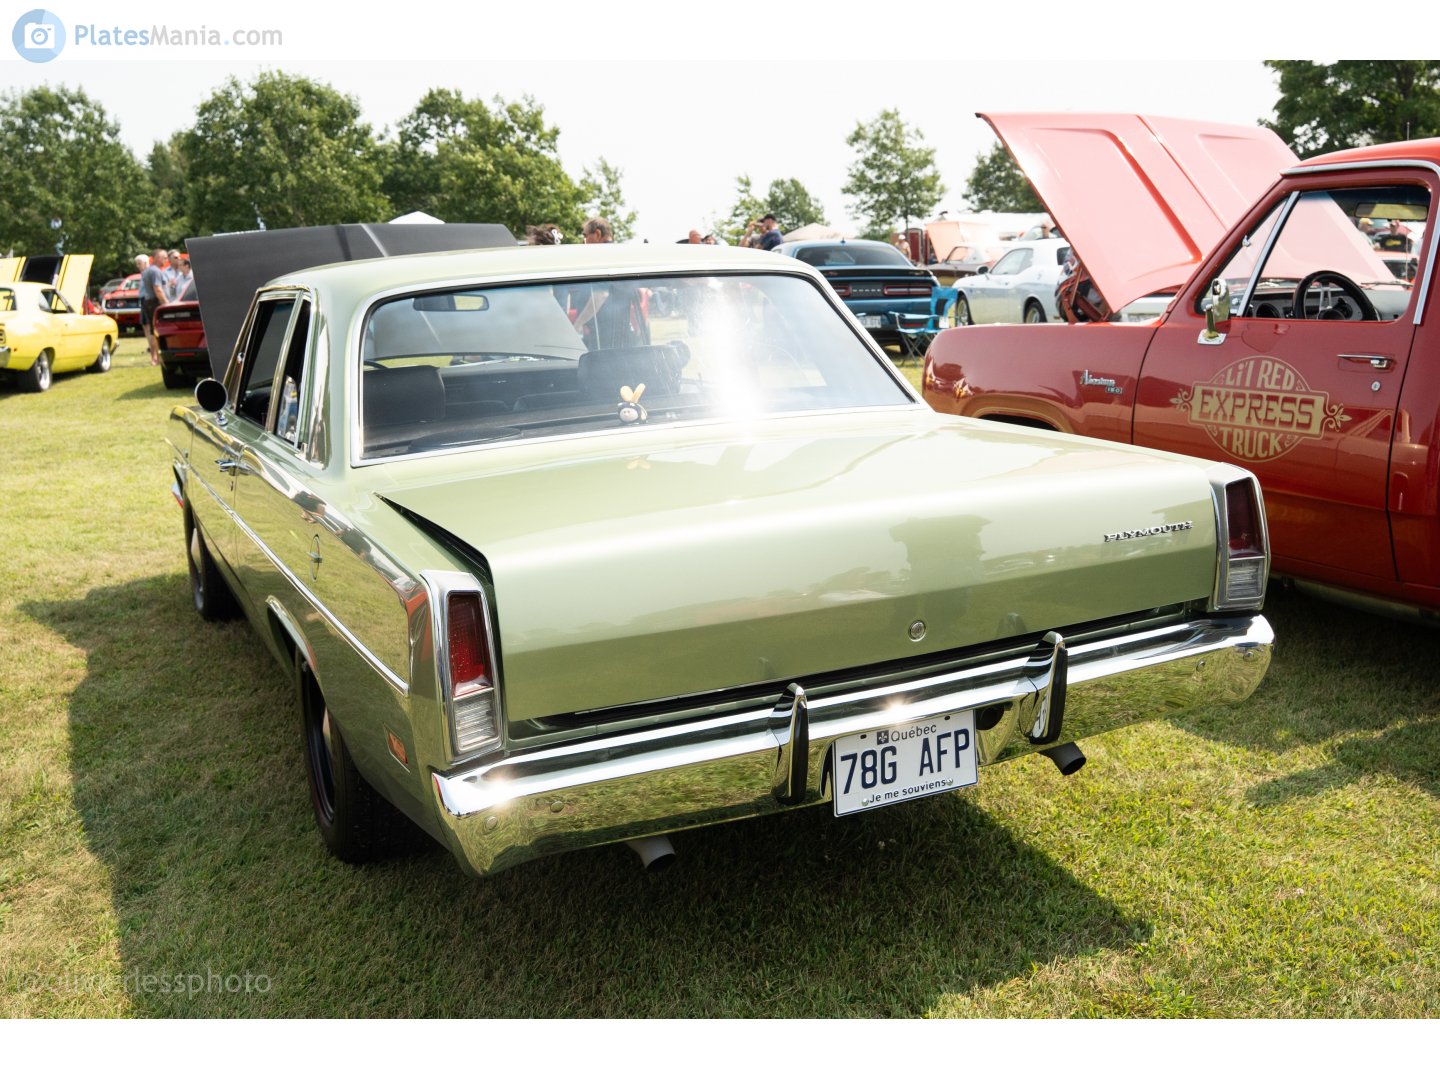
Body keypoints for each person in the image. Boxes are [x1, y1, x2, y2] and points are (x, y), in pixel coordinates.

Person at [140, 248, 170, 366]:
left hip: (148, 302)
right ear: (157, 258)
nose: (166, 260)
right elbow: (157, 288)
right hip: (155, 302)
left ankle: (155, 357)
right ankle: (159, 358)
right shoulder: (156, 271)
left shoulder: (148, 271)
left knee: (152, 331)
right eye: (165, 257)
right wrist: (166, 304)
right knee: (156, 330)